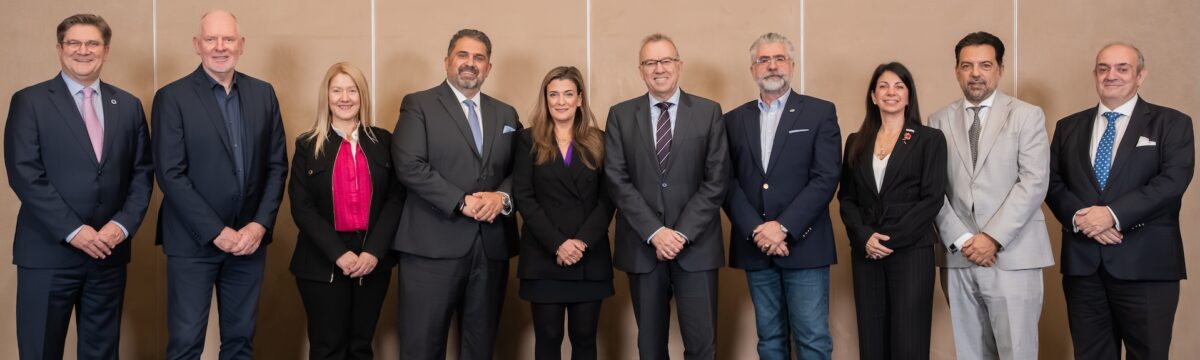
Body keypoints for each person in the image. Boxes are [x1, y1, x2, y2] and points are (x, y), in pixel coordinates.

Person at [4, 13, 153, 360]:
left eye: (92, 43)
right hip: (47, 254)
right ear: (59, 49)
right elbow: (24, 173)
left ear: (106, 50)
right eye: (73, 43)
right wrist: (74, 230)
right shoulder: (30, 101)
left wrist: (121, 226)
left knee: (102, 353)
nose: (83, 50)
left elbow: (142, 174)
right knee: (41, 351)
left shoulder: (128, 106)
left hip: (108, 254)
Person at [151, 10, 288, 359]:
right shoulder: (172, 97)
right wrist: (216, 231)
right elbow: (171, 174)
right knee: (185, 344)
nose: (220, 47)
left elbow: (276, 167)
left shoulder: (263, 94)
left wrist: (258, 226)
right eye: (211, 39)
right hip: (193, 243)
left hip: (248, 243)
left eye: (228, 39)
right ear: (197, 45)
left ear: (241, 45)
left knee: (240, 343)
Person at [1046, 43, 1194, 360]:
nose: (1111, 75)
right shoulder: (1068, 127)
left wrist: (1112, 215)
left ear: (1140, 75)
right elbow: (1052, 182)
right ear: (1095, 75)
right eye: (1103, 68)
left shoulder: (1172, 123)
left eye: (1122, 68)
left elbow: (1171, 183)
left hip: (1147, 266)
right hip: (1084, 268)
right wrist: (1081, 219)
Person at [390, 28, 522, 359]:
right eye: (462, 55)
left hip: (490, 247)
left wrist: (501, 198)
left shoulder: (506, 114)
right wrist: (461, 202)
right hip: (430, 249)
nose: (470, 63)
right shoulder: (418, 104)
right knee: (422, 347)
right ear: (447, 61)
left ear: (489, 67)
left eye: (479, 57)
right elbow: (409, 165)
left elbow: (522, 171)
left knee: (480, 348)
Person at [604, 33, 729, 360]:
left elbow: (716, 180)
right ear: (641, 69)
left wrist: (681, 233)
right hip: (643, 250)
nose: (658, 68)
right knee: (650, 347)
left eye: (665, 61)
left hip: (697, 248)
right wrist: (656, 232)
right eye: (650, 62)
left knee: (703, 347)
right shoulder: (620, 115)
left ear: (679, 65)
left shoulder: (708, 112)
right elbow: (617, 180)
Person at [929, 31, 1053, 360]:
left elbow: (1034, 182)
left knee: (1017, 352)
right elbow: (932, 190)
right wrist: (962, 238)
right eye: (967, 65)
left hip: (1013, 256)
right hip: (958, 256)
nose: (975, 73)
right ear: (956, 70)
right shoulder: (937, 120)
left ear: (999, 68)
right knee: (970, 353)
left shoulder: (1028, 115)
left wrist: (992, 238)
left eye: (985, 65)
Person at [723, 32, 840, 360]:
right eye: (763, 60)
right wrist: (758, 231)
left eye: (779, 59)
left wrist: (783, 227)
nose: (771, 66)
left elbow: (825, 178)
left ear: (791, 65)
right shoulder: (732, 120)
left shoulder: (819, 112)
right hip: (756, 246)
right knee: (769, 340)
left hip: (804, 244)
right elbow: (726, 181)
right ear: (752, 70)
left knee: (813, 339)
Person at [287, 62, 403, 360]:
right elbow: (302, 207)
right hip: (322, 258)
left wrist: (374, 252)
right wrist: (338, 253)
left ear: (362, 96)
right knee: (328, 348)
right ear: (326, 96)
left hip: (372, 258)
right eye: (337, 90)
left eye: (352, 90)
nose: (344, 97)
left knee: (361, 347)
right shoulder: (307, 144)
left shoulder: (383, 141)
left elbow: (395, 198)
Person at [837, 62, 945, 359]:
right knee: (872, 342)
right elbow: (846, 199)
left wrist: (889, 240)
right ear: (873, 96)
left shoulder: (929, 140)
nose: (891, 92)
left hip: (911, 252)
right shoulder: (855, 142)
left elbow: (932, 198)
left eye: (899, 86)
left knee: (908, 341)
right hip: (866, 252)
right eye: (883, 86)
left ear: (909, 96)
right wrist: (865, 237)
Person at [512, 66, 614, 360]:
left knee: (584, 339)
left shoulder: (600, 140)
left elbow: (608, 200)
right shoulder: (527, 140)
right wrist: (558, 244)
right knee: (548, 338)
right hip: (544, 255)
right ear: (545, 99)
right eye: (553, 94)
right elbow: (524, 197)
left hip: (589, 255)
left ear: (580, 99)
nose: (561, 101)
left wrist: (580, 243)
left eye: (568, 94)